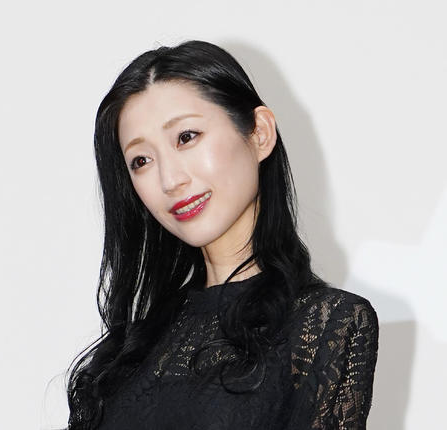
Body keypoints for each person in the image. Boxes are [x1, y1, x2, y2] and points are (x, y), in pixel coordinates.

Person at [64, 40, 379, 430]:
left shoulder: (325, 324)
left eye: (186, 137)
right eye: (141, 160)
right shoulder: (128, 349)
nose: (170, 180)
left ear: (260, 133)